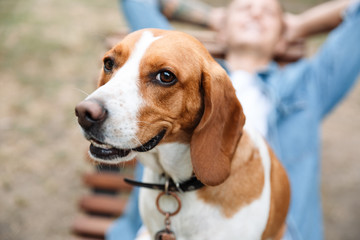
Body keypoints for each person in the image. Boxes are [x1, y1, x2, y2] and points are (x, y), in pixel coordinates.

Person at [106, 0, 360, 239]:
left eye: (269, 13)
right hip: (156, 227)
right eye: (244, 8)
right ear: (223, 32)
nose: (256, 12)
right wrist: (213, 18)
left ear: (283, 39)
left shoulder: (309, 84)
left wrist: (301, 25)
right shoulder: (186, 71)